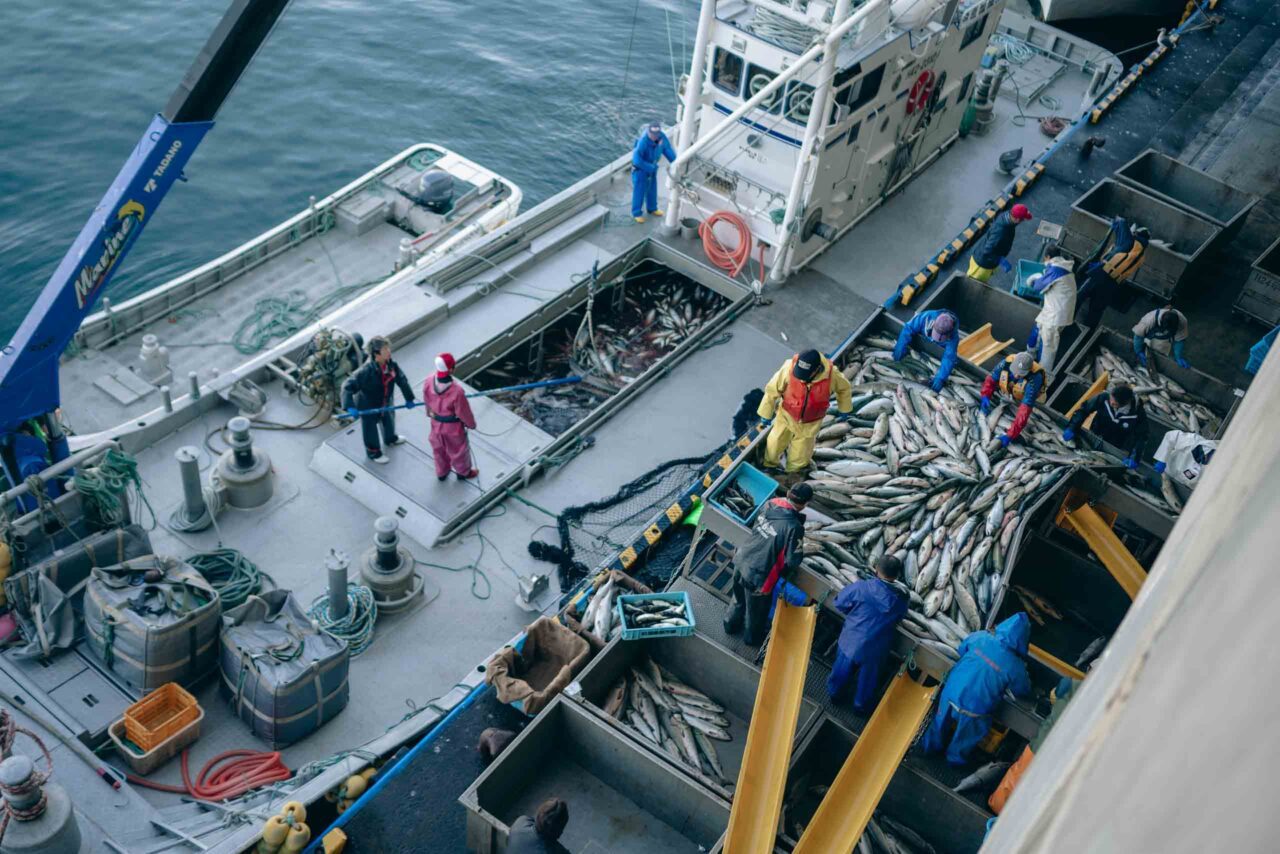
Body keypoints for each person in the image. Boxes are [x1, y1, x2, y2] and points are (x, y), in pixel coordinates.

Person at [921, 613, 1032, 766]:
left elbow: (962, 649)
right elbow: (1023, 690)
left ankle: (927, 749)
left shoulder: (982, 637)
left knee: (939, 724)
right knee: (965, 737)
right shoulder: (1016, 666)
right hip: (975, 710)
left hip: (951, 694)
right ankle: (953, 761)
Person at [724, 483, 812, 646]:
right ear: (805, 504)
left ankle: (729, 626)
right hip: (760, 575)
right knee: (756, 613)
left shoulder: (769, 503)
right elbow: (793, 560)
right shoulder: (795, 527)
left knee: (738, 598)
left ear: (788, 493)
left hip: (741, 559)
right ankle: (751, 640)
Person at [828, 554, 909, 715]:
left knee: (841, 672)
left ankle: (835, 695)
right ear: (898, 576)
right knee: (867, 681)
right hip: (876, 650)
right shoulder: (900, 601)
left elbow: (839, 603)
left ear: (877, 569)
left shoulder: (862, 587)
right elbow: (900, 617)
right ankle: (860, 707)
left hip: (851, 642)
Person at [758, 350, 853, 473]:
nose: (801, 378)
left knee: (801, 454)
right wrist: (766, 412)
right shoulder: (788, 367)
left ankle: (792, 473)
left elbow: (844, 388)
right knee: (774, 443)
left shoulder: (832, 375)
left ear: (816, 370)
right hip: (786, 416)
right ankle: (769, 466)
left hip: (810, 423)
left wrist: (844, 408)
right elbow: (772, 390)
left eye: (805, 374)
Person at [342, 336, 415, 464]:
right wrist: (350, 406)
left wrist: (409, 398)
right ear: (376, 354)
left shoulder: (391, 365)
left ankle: (390, 438)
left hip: (386, 402)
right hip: (368, 406)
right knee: (370, 429)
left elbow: (402, 380)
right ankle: (373, 452)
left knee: (389, 420)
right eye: (385, 349)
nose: (389, 351)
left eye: (388, 348)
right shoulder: (365, 371)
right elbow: (347, 386)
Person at [1076, 216, 1150, 328]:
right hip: (1113, 283)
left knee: (1079, 297)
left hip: (1101, 274)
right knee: (1096, 310)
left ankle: (1064, 321)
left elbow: (1122, 221)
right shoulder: (1142, 255)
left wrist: (1116, 219)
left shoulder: (1129, 241)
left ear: (1135, 234)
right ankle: (1086, 333)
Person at [1063, 383, 1148, 469]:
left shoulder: (1138, 415)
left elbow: (1141, 437)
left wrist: (1134, 457)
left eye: (1114, 404)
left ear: (1126, 403)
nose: (1110, 403)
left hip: (1115, 445)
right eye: (1111, 399)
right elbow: (1084, 410)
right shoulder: (1104, 397)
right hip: (1094, 433)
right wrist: (1072, 427)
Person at [423, 352, 479, 481]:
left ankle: (441, 473)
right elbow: (463, 412)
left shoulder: (428, 381)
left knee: (438, 449)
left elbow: (427, 401)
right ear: (451, 369)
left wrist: (429, 413)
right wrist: (471, 425)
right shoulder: (457, 391)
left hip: (435, 424)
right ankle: (463, 473)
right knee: (459, 451)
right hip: (452, 428)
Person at [1024, 250, 1076, 378]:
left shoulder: (1057, 270)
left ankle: (1043, 376)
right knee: (1037, 331)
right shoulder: (1064, 267)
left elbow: (1038, 286)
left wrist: (1034, 279)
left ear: (1048, 257)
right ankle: (1029, 358)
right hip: (1054, 311)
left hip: (1055, 316)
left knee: (1048, 345)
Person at [979, 352, 1046, 447]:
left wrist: (1010, 435)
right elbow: (991, 379)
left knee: (1028, 413)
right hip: (1011, 391)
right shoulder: (1006, 363)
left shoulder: (1035, 379)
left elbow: (1024, 411)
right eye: (1015, 371)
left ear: (1028, 370)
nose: (1016, 376)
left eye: (1021, 374)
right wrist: (985, 395)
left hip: (1031, 398)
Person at [893, 309, 960, 391]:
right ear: (934, 323)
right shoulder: (926, 317)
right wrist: (900, 346)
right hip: (921, 339)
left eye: (941, 338)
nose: (937, 338)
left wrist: (941, 377)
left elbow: (949, 357)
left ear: (949, 333)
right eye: (936, 334)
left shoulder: (953, 337)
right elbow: (908, 328)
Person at [968, 203, 1032, 282]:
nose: (1022, 221)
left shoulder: (1006, 217)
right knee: (973, 285)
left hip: (986, 261)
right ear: (1017, 219)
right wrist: (999, 259)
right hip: (982, 266)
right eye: (1022, 219)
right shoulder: (1001, 231)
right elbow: (987, 251)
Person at [631, 123, 677, 223]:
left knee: (652, 189)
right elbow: (636, 160)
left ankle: (652, 208)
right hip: (640, 170)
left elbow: (667, 149)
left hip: (652, 169)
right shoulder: (643, 142)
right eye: (652, 134)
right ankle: (637, 213)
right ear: (648, 132)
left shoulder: (662, 138)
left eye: (656, 134)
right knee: (639, 191)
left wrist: (676, 162)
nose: (654, 136)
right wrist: (649, 167)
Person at [1153, 429, 1217, 491]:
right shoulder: (1172, 471)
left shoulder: (1190, 442)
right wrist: (1162, 459)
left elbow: (1171, 436)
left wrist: (1162, 459)